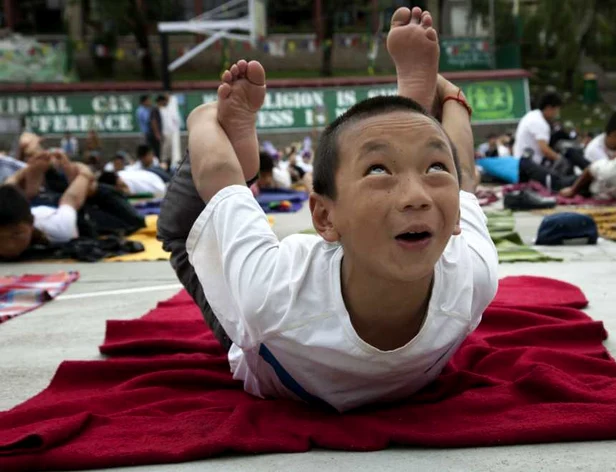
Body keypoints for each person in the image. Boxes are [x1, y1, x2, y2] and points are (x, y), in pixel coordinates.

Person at [157, 6, 498, 412]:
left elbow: (465, 173)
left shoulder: (470, 275)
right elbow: (218, 176)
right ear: (321, 216)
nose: (418, 196)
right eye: (378, 170)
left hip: (285, 347)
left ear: (455, 216)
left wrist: (455, 102)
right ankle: (403, 113)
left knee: (184, 229)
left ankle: (406, 113)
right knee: (199, 217)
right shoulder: (273, 294)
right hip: (278, 348)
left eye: (434, 168)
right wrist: (205, 120)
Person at [0, 154, 94, 259]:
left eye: (17, 235)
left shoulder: (58, 229)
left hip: (53, 207)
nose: (9, 246)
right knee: (7, 192)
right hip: (29, 203)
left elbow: (70, 200)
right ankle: (31, 185)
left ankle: (32, 182)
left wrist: (84, 173)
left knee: (87, 189)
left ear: (31, 223)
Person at [513, 92, 563, 166]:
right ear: (549, 108)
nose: (557, 114)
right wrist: (560, 159)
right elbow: (545, 150)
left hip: (519, 159)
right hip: (529, 166)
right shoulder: (540, 123)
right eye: (556, 110)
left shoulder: (531, 115)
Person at [148, 95, 167, 160]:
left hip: (155, 134)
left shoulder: (157, 109)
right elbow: (153, 122)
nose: (165, 103)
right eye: (165, 101)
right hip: (154, 135)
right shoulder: (154, 109)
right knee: (156, 152)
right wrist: (157, 134)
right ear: (161, 101)